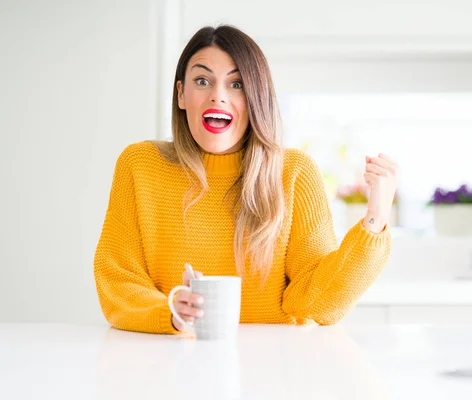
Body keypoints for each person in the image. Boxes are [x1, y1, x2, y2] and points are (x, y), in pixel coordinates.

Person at [94, 25, 397, 334]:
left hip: (276, 369)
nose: (218, 96)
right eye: (202, 81)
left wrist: (375, 218)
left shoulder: (294, 173)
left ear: (256, 97)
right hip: (173, 363)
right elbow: (118, 281)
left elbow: (318, 303)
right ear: (182, 94)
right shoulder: (140, 165)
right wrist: (172, 312)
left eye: (236, 83)